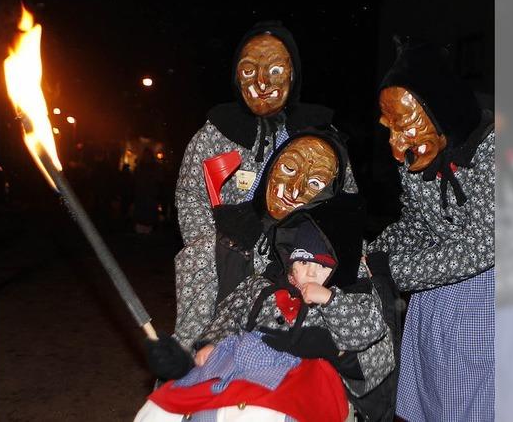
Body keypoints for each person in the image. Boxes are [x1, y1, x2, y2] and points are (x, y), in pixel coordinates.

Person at [144, 129, 396, 421]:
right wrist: (180, 361)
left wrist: (336, 353)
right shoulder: (218, 244)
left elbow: (379, 359)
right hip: (228, 377)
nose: (293, 190)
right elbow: (204, 331)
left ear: (332, 192)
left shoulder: (347, 257)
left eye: (315, 182)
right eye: (288, 169)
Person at [173, 21, 357, 351]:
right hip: (224, 258)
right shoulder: (214, 133)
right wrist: (209, 246)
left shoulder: (317, 132)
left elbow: (345, 200)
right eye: (249, 71)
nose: (261, 82)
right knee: (204, 347)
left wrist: (315, 252)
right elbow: (190, 193)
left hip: (296, 258)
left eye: (274, 70)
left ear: (293, 75)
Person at [362, 37, 495, 421]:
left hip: (491, 301)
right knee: (437, 395)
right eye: (388, 128)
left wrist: (393, 269)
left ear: (443, 113)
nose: (395, 145)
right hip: (437, 295)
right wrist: (371, 254)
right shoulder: (416, 159)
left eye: (405, 125)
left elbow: (481, 246)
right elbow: (416, 224)